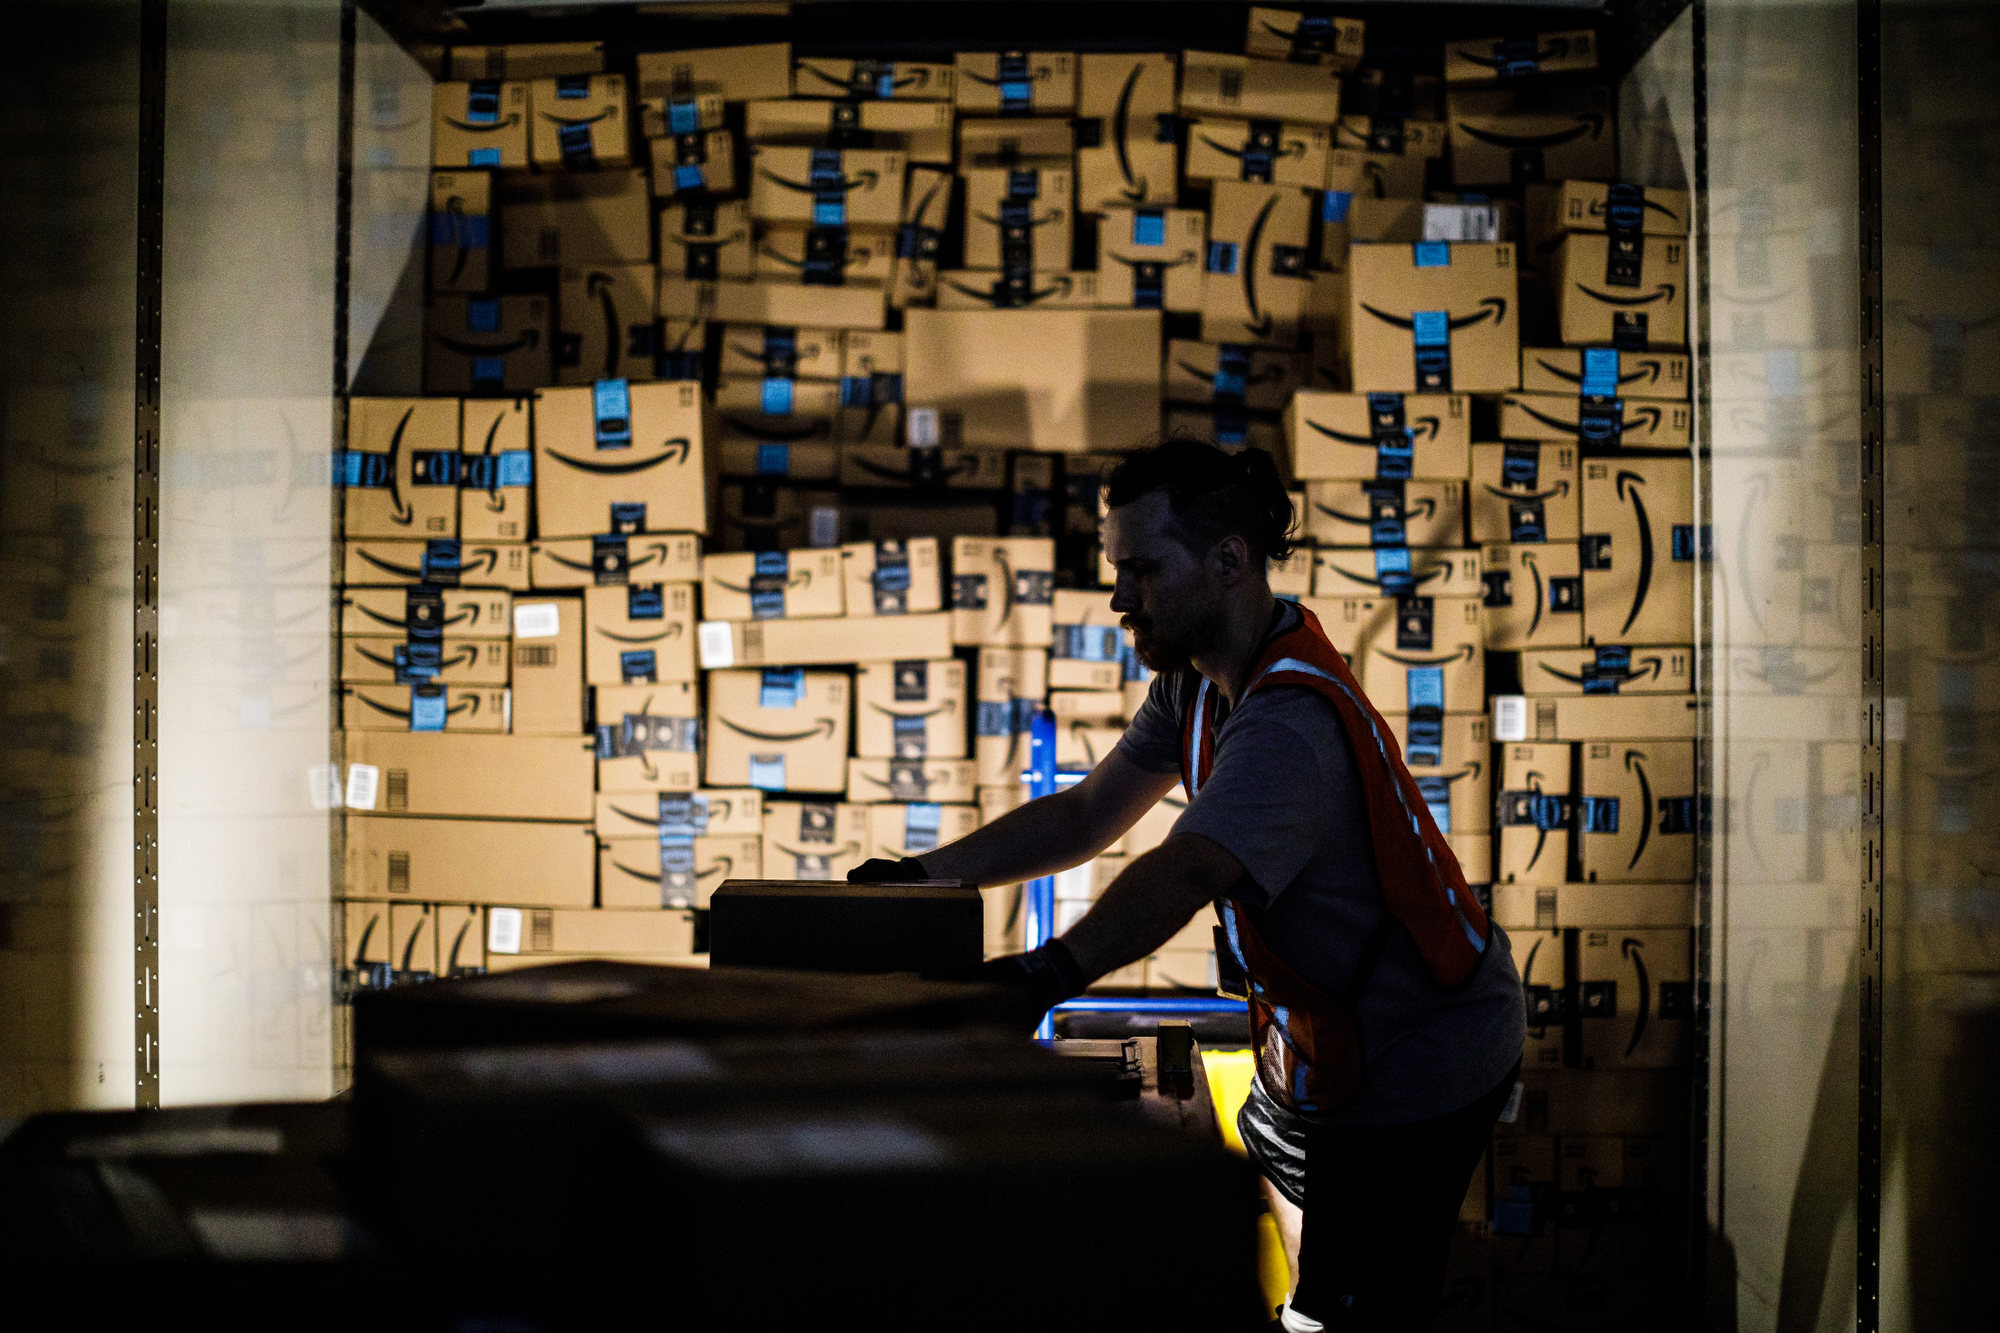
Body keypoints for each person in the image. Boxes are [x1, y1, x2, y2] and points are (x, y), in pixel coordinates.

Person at [850, 437, 1526, 1331]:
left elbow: (1186, 866)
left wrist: (1042, 974)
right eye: (1115, 568)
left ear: (1229, 560)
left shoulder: (1287, 722)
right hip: (1321, 1038)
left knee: (1344, 1313)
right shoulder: (1199, 686)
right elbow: (1087, 814)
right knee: (1294, 1241)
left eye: (1142, 568)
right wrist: (922, 878)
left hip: (1420, 1049)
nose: (1121, 597)